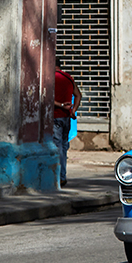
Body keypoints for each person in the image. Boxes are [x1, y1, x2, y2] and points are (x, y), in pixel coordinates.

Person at [53, 58, 82, 187]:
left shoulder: (50, 78)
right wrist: (73, 110)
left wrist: (60, 105)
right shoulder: (69, 77)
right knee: (64, 147)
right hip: (66, 118)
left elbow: (45, 97)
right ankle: (63, 176)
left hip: (55, 117)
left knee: (58, 146)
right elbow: (78, 95)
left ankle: (59, 176)